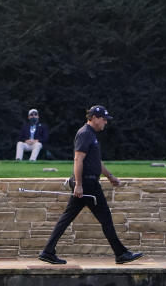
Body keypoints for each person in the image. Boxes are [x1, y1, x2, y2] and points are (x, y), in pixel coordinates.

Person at [38, 105, 143, 265]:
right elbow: (78, 159)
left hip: (87, 182)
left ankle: (47, 251)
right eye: (103, 119)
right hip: (87, 184)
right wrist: (79, 184)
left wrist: (110, 177)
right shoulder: (85, 134)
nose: (105, 123)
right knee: (105, 218)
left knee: (67, 218)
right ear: (94, 117)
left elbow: (95, 161)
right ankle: (121, 254)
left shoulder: (91, 135)